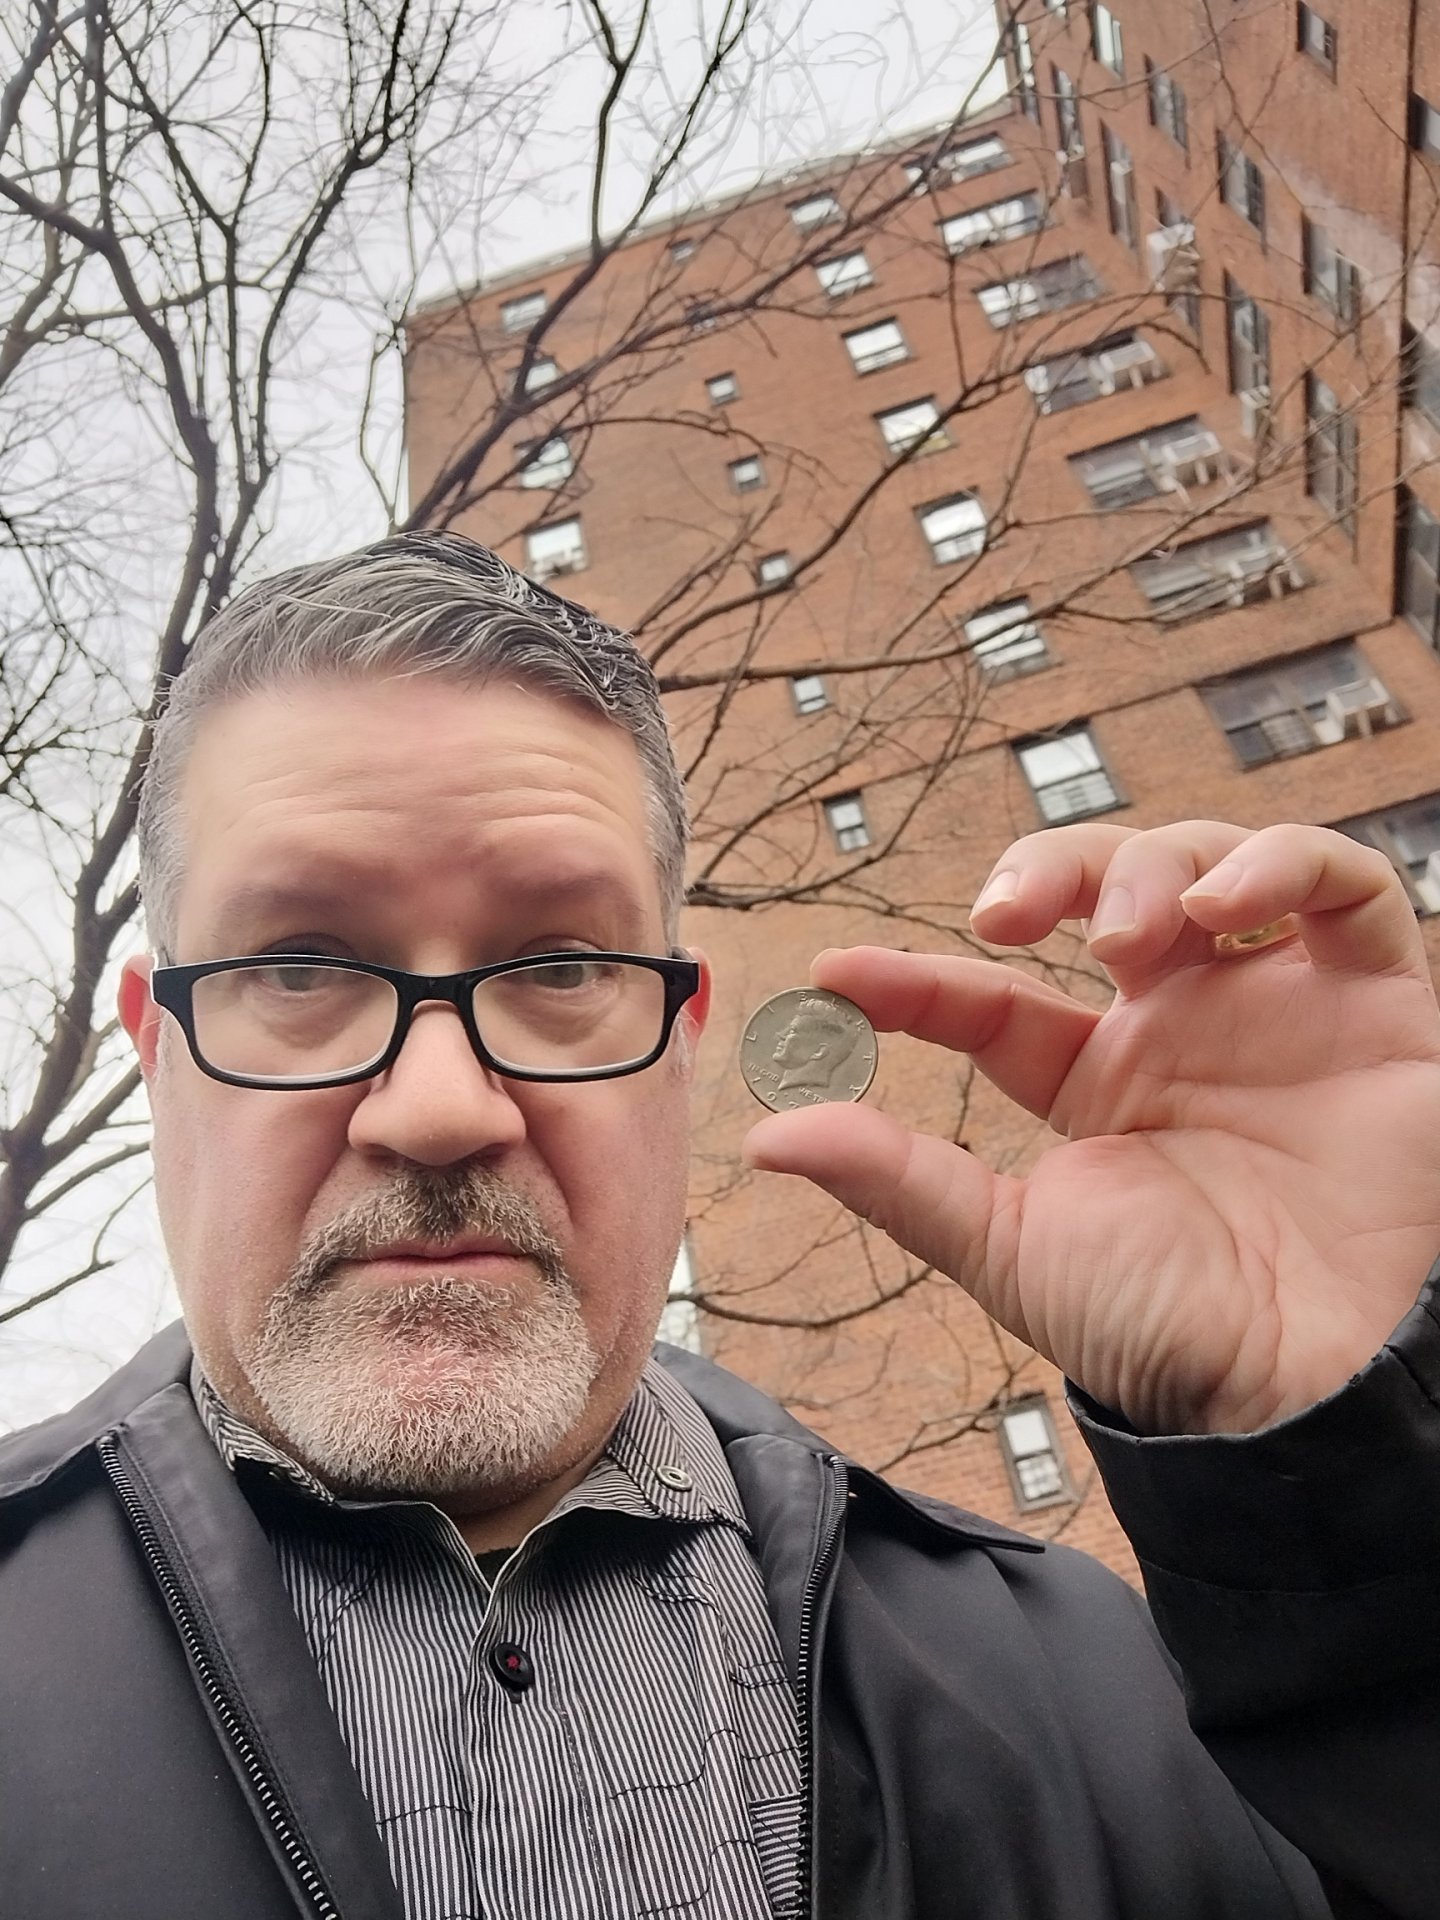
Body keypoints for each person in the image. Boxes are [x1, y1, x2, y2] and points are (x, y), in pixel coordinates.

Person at [2, 530, 1439, 1920]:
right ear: (156, 1047)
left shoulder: (1086, 1678)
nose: (439, 1107)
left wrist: (1349, 1482)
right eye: (298, 965)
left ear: (681, 1044)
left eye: (562, 962)